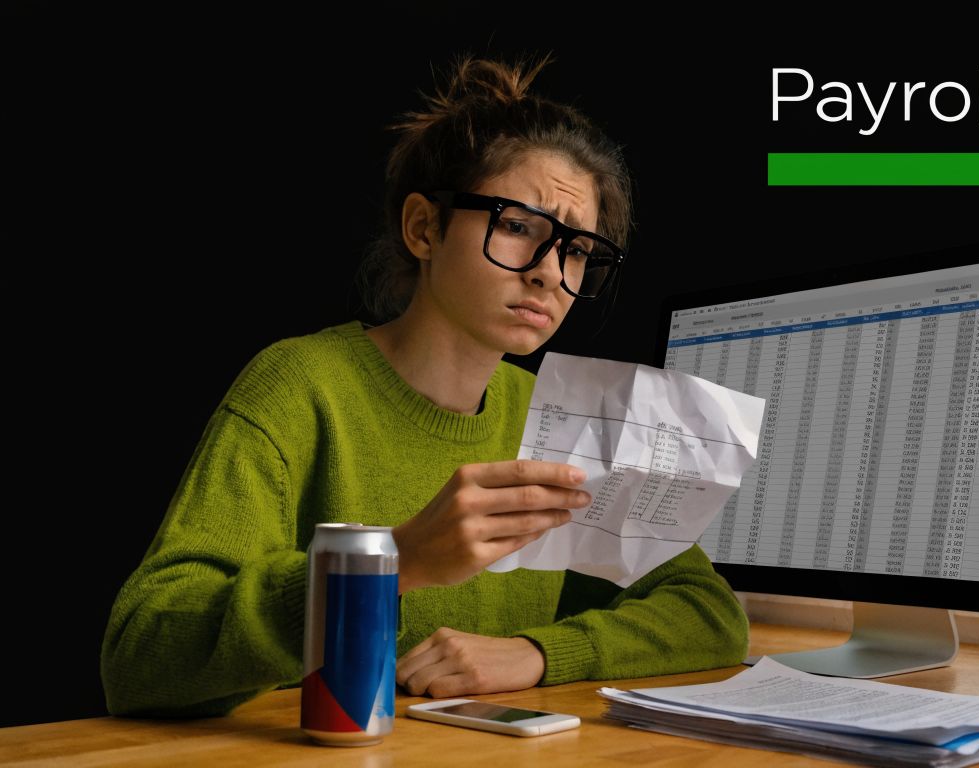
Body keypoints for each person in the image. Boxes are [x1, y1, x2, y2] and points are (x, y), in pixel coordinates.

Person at [100, 56, 749, 717]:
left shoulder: (558, 421)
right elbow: (142, 652)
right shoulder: (301, 385)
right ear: (423, 229)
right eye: (518, 225)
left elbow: (709, 613)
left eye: (577, 250)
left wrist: (536, 653)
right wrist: (394, 561)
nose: (550, 273)